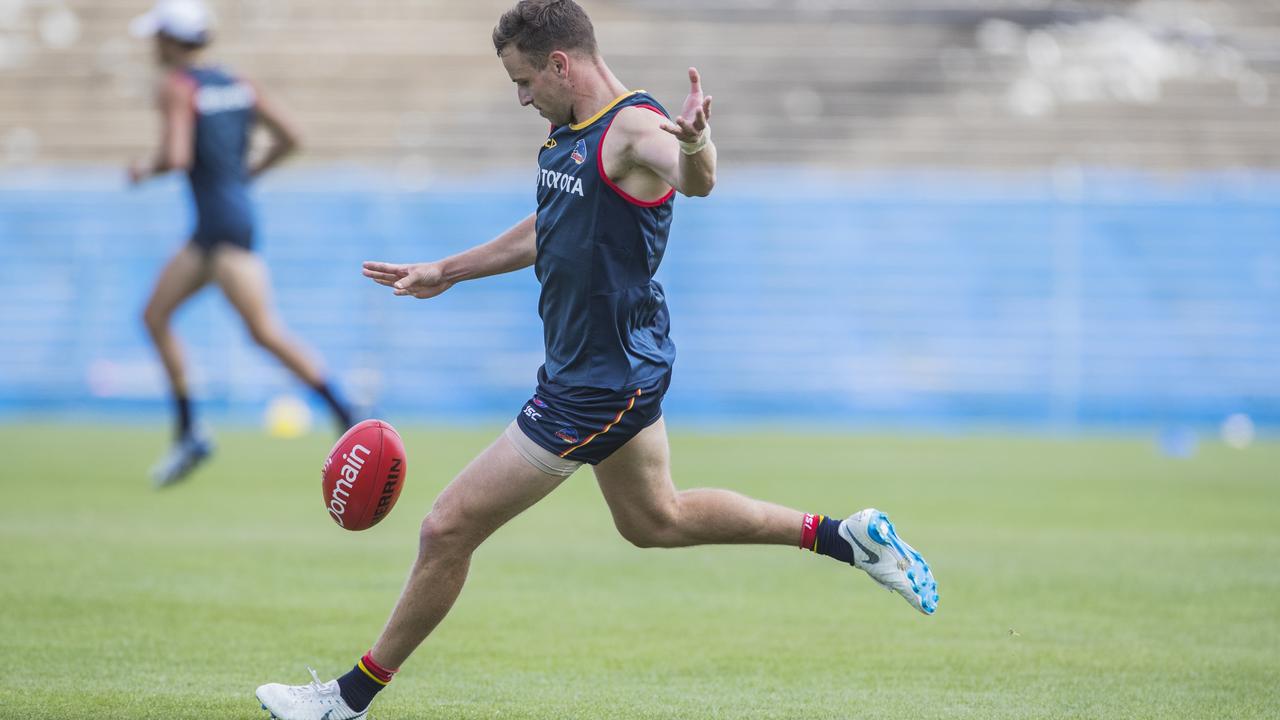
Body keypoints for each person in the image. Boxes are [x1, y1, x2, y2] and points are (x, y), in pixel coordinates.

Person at [256, 1, 937, 717]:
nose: (521, 97)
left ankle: (347, 699)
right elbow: (552, 224)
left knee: (446, 526)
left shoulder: (635, 130)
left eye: (524, 80)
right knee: (654, 521)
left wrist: (699, 144)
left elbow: (695, 179)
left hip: (597, 384)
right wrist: (448, 269)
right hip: (611, 365)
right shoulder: (567, 130)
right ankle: (847, 538)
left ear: (560, 63)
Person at [127, 0, 356, 487]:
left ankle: (349, 416)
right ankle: (190, 432)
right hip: (224, 225)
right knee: (157, 316)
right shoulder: (237, 83)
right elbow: (291, 137)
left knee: (264, 331)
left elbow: (177, 154)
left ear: (170, 40)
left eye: (156, 37)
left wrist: (143, 170)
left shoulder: (176, 85)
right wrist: (248, 175)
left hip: (218, 229)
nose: (152, 47)